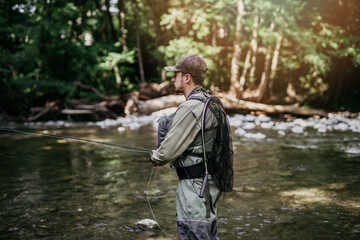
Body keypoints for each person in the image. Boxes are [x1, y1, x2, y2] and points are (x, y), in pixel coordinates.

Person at [150, 55, 222, 240]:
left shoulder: (190, 107)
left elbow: (167, 151)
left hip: (194, 188)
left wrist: (155, 157)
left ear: (187, 77)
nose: (173, 78)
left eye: (176, 74)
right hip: (209, 185)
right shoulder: (209, 102)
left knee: (193, 234)